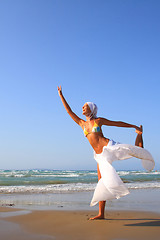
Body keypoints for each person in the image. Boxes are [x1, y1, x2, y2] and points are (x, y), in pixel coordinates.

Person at [57, 86, 155, 220]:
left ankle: (139, 134)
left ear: (92, 109)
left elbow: (117, 123)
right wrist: (61, 95)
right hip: (100, 156)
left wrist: (133, 126)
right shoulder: (82, 124)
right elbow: (69, 111)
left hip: (109, 147)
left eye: (86, 106)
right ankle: (101, 214)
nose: (83, 107)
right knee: (101, 182)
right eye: (83, 106)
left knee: (135, 151)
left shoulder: (98, 121)